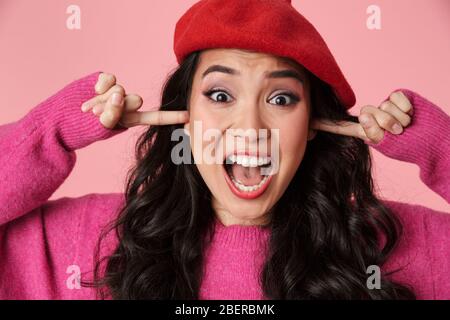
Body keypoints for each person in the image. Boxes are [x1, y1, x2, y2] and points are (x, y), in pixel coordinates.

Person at [0, 0, 448, 300]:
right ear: (184, 117)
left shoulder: (388, 247)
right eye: (219, 95)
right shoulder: (98, 239)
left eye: (280, 99)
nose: (250, 128)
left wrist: (438, 147)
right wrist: (51, 132)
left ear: (314, 125)